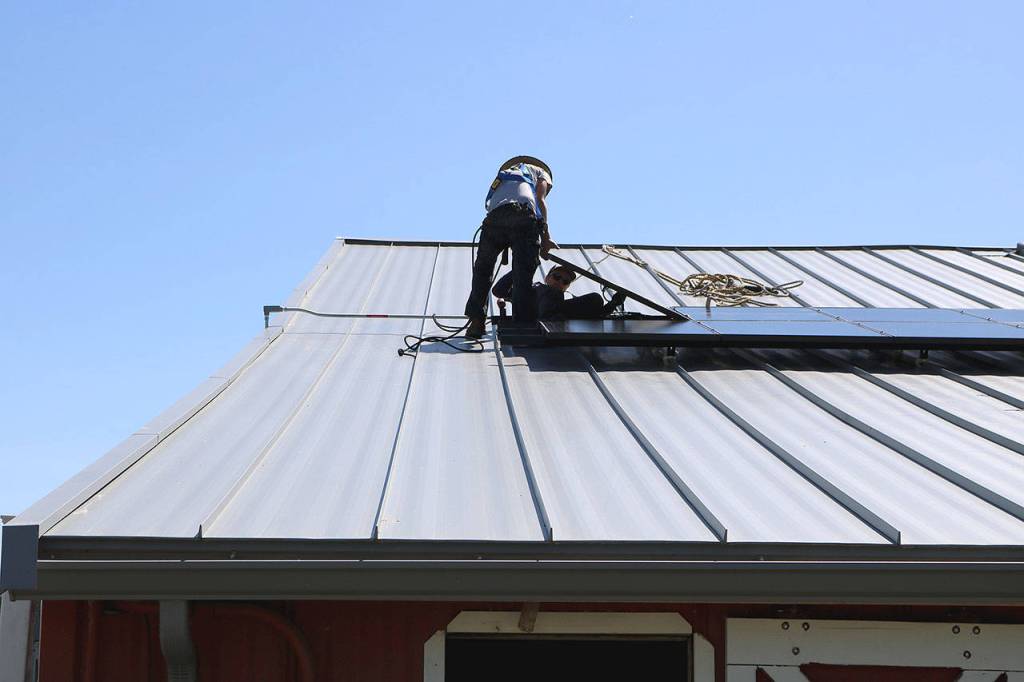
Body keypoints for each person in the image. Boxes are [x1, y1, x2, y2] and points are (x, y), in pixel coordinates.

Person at [464, 156, 556, 339]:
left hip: (493, 220)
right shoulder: (541, 173)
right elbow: (540, 200)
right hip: (522, 216)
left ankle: (476, 321)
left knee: (483, 270)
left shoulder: (504, 176)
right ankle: (522, 323)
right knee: (523, 270)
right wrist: (546, 238)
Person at [492, 264, 628, 320]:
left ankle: (553, 316)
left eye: (565, 281)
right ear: (547, 278)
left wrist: (614, 303)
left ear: (567, 287)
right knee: (552, 293)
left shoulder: (564, 302)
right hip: (534, 316)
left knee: (596, 298)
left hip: (560, 316)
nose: (560, 282)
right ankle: (548, 317)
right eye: (557, 277)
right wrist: (520, 268)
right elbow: (498, 290)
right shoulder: (531, 289)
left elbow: (597, 316)